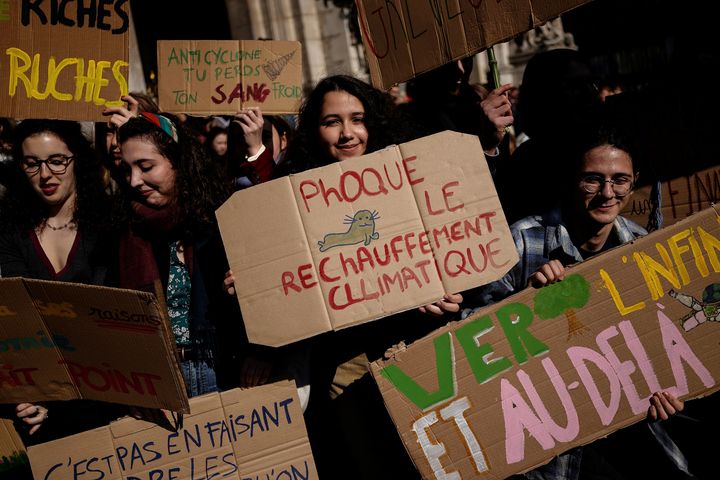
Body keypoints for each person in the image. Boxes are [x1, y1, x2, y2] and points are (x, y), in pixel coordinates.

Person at [463, 120, 690, 480]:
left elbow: (661, 339)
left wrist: (671, 388)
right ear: (572, 180)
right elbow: (467, 333)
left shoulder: (641, 246)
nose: (607, 192)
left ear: (633, 184)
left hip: (626, 431)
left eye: (620, 180)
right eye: (593, 179)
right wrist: (527, 307)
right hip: (548, 446)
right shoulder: (520, 243)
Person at [274, 74, 460, 478]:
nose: (347, 134)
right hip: (347, 364)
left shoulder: (414, 175)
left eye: (357, 119)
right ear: (313, 130)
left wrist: (450, 293)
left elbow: (460, 249)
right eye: (331, 122)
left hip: (418, 346)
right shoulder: (287, 194)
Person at [0, 119, 123, 446]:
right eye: (32, 163)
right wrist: (30, 397)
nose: (45, 174)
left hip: (110, 395)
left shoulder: (110, 224)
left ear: (76, 160)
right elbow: (20, 318)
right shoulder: (13, 232)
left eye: (56, 160)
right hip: (45, 402)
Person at [116, 111, 250, 396]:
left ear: (177, 161)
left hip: (222, 369)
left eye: (146, 166)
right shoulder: (123, 229)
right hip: (158, 380)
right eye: (127, 169)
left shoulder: (221, 217)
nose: (134, 180)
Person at [494, 48, 603, 223]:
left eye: (591, 83)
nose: (588, 93)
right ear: (543, 96)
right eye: (573, 86)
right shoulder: (526, 165)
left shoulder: (614, 153)